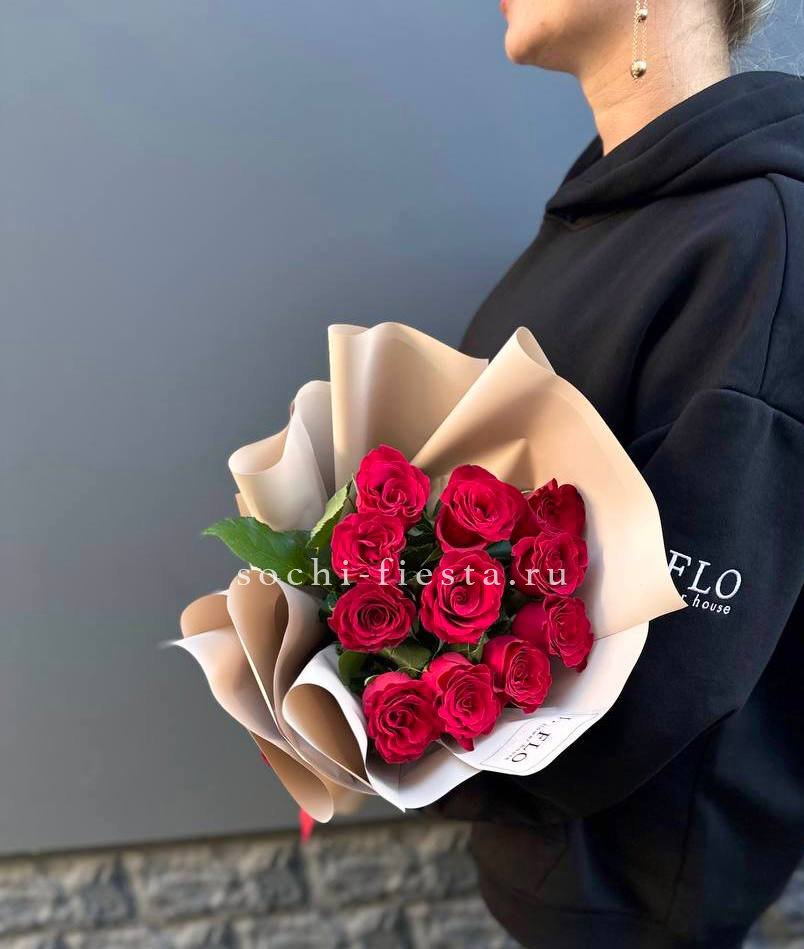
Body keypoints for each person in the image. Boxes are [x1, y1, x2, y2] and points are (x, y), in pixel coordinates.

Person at [434, 2, 804, 947]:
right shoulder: (600, 209)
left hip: (637, 893)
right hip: (545, 861)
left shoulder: (755, 239)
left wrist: (418, 746)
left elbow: (686, 657)